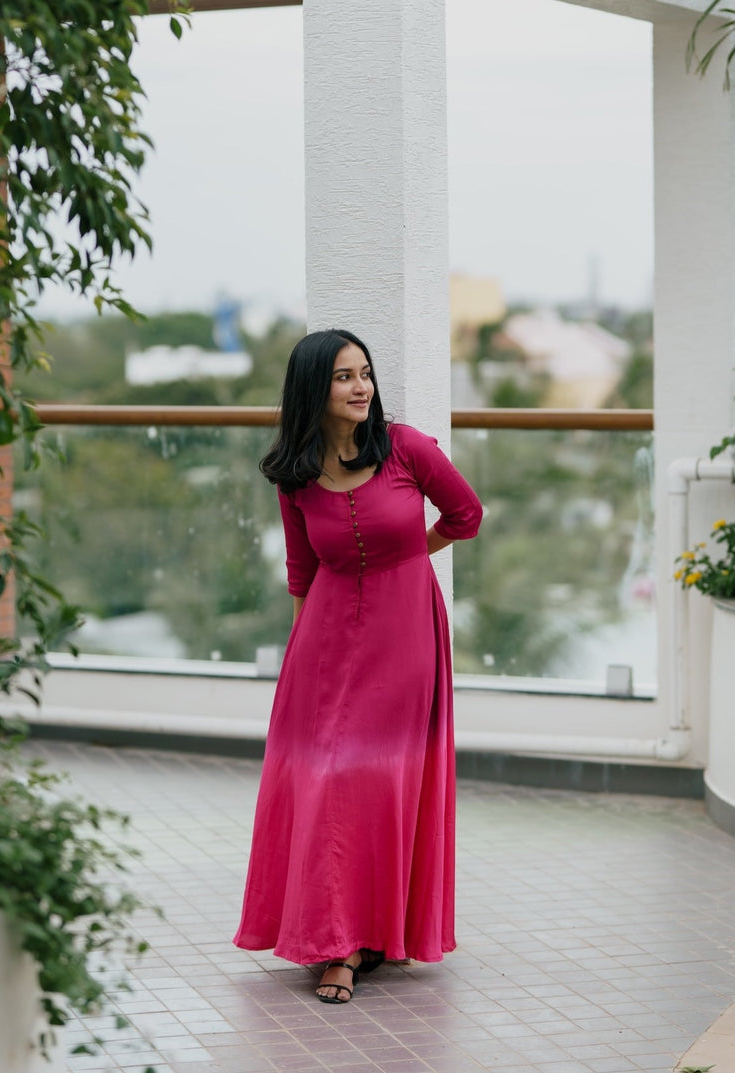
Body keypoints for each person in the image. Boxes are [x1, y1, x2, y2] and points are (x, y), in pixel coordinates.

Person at [233, 329, 483, 1004]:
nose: (361, 386)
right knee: (325, 781)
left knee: (383, 782)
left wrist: (408, 553)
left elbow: (466, 513)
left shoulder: (408, 448)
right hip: (324, 635)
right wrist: (297, 663)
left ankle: (364, 937)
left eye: (365, 373)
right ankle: (335, 938)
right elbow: (300, 569)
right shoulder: (294, 473)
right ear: (314, 388)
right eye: (344, 376)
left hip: (407, 636)